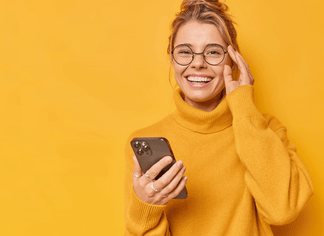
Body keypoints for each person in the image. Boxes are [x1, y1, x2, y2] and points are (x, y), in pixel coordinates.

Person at [123, 0, 314, 235]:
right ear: (172, 58)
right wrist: (146, 207)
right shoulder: (145, 141)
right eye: (185, 52)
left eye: (213, 52)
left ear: (232, 60)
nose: (198, 63)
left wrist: (244, 107)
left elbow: (283, 210)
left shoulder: (265, 129)